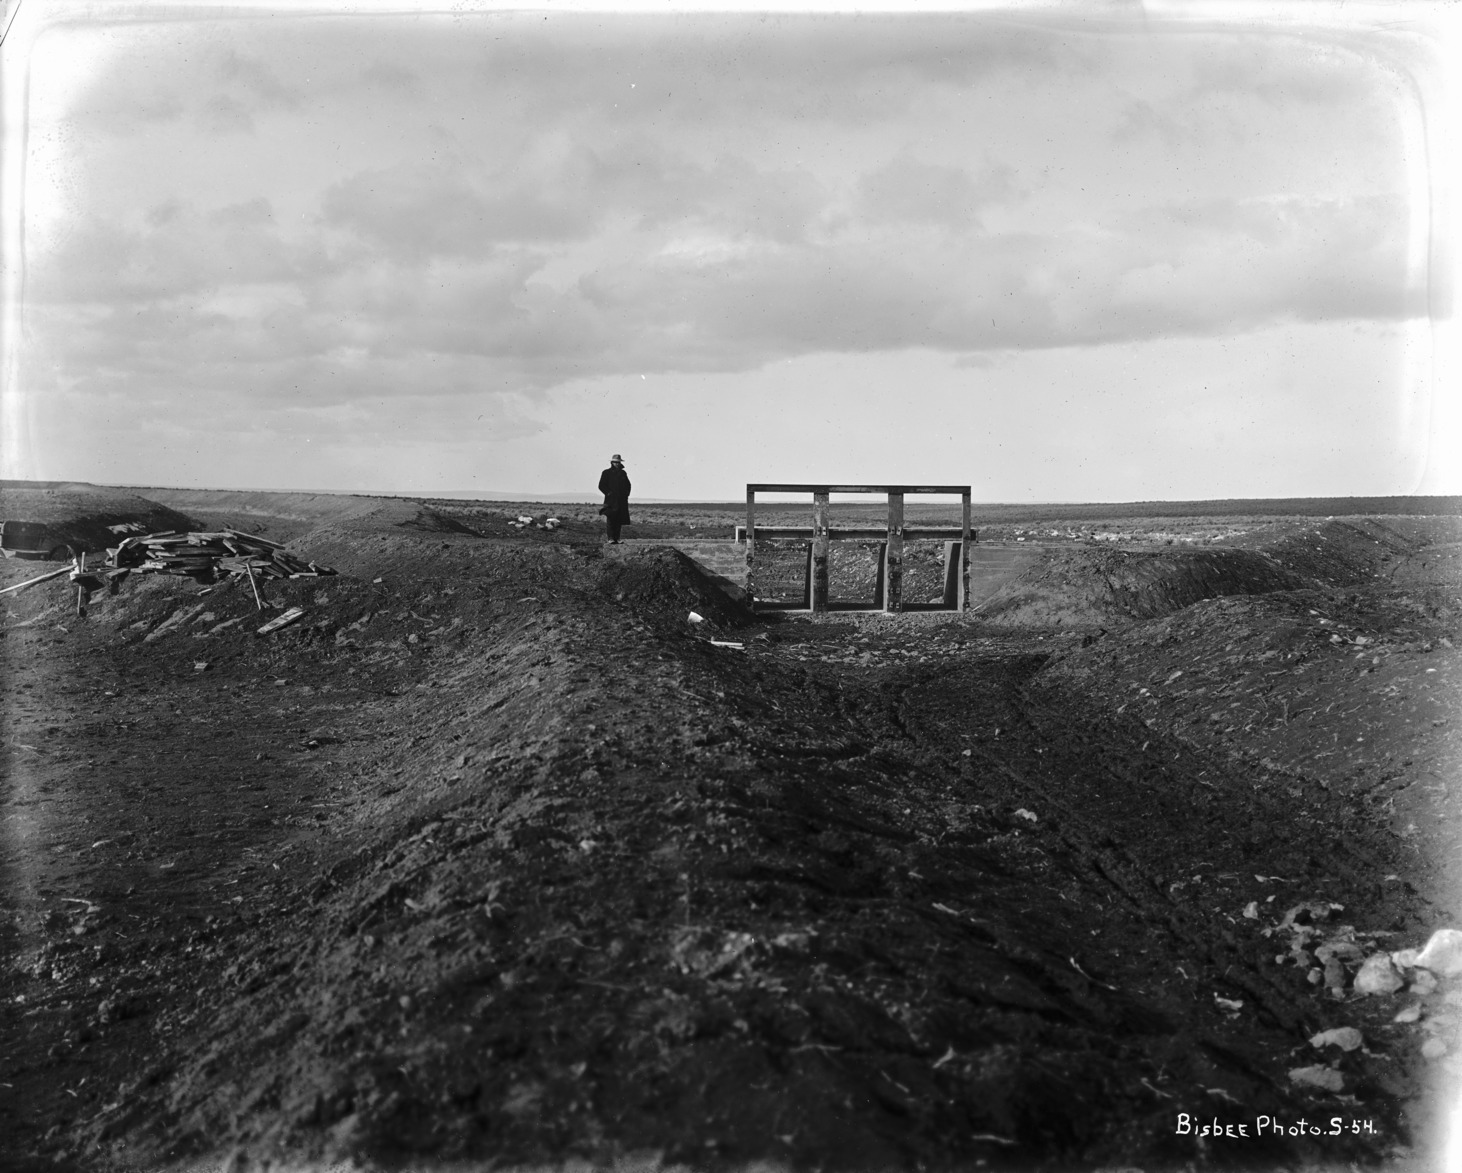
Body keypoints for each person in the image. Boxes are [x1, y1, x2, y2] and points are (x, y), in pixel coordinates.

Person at [598, 454, 631, 544]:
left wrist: (626, 494)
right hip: (611, 501)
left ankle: (617, 538)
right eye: (615, 462)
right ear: (612, 462)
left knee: (619, 520)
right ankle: (611, 538)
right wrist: (609, 493)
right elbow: (601, 485)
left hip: (621, 501)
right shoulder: (606, 473)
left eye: (618, 462)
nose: (617, 464)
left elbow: (628, 485)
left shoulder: (623, 473)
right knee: (611, 519)